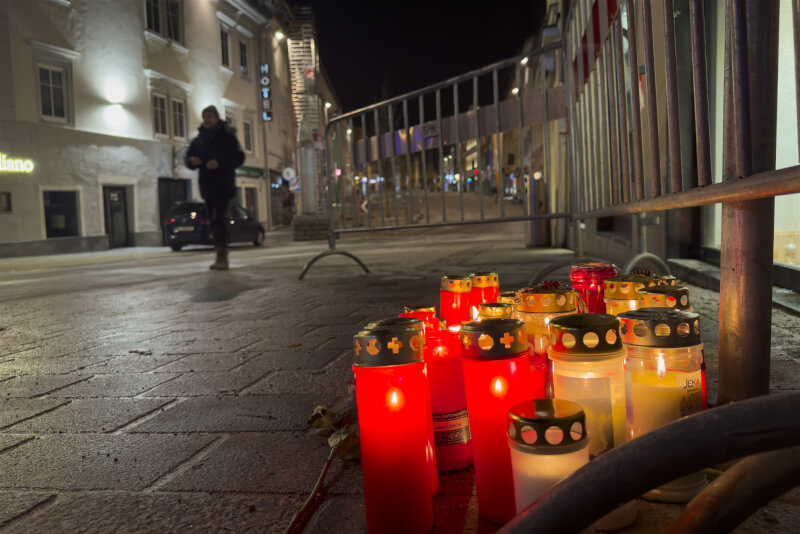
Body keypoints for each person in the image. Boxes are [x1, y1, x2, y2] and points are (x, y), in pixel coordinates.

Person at [185, 105, 245, 270]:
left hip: (223, 185)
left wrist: (219, 162)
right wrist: (192, 161)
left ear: (217, 118)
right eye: (205, 117)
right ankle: (220, 250)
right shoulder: (199, 140)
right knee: (213, 220)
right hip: (206, 186)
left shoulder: (227, 137)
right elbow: (188, 158)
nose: (207, 120)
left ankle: (222, 255)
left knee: (218, 218)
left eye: (210, 116)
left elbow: (239, 157)